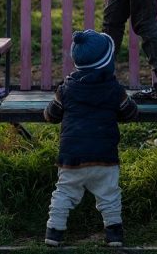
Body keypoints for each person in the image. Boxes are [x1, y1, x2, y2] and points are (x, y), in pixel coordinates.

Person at [43, 29, 139, 248]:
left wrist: (53, 107)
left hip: (72, 156)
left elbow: (51, 115)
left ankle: (54, 232)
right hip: (104, 156)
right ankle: (114, 234)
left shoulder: (66, 89)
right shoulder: (114, 89)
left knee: (64, 193)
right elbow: (130, 113)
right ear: (107, 63)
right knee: (109, 195)